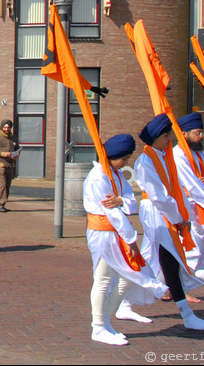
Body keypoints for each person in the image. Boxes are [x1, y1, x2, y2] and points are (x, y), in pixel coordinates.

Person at [132, 113, 204, 331]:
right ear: (158, 137)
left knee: (152, 258)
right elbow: (159, 196)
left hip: (165, 212)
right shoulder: (146, 161)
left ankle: (124, 303)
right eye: (167, 135)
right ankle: (186, 314)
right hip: (157, 213)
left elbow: (173, 191)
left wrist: (180, 216)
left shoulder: (162, 156)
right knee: (169, 258)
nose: (170, 140)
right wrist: (179, 220)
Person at [84, 133, 168, 346]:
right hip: (103, 233)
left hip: (118, 231)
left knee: (127, 277)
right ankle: (98, 327)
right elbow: (111, 212)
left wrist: (121, 200)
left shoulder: (117, 175)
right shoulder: (98, 177)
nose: (126, 163)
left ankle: (106, 322)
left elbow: (131, 203)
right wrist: (130, 239)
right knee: (103, 279)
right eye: (124, 158)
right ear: (113, 156)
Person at [171, 112, 204, 287]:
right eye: (197, 133)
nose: (200, 137)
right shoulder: (178, 155)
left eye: (202, 133)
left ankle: (202, 270)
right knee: (191, 241)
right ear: (184, 133)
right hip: (189, 203)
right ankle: (185, 277)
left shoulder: (199, 154)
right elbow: (190, 183)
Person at [0, 119, 19, 213]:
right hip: (0, 165)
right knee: (2, 185)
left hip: (10, 165)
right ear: (2, 127)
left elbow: (17, 149)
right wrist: (3, 154)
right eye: (5, 127)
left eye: (8, 127)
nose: (6, 129)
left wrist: (16, 155)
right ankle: (0, 204)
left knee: (8, 185)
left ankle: (3, 204)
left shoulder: (13, 138)